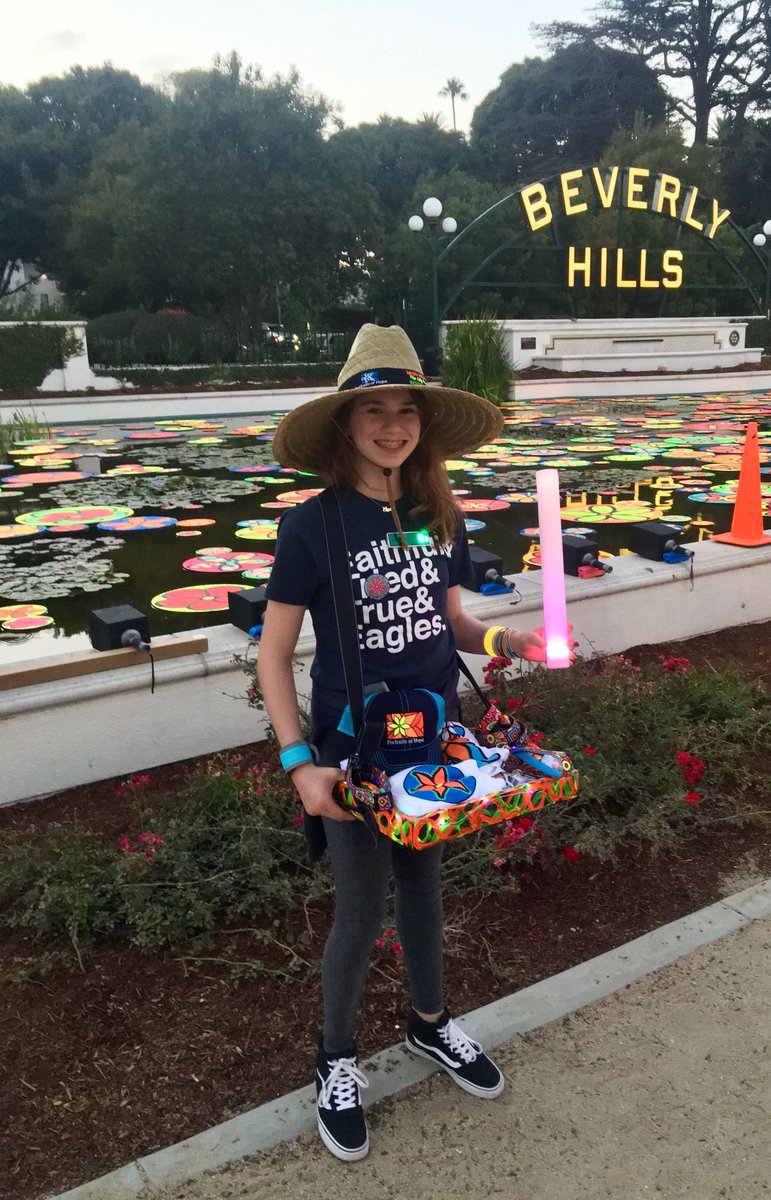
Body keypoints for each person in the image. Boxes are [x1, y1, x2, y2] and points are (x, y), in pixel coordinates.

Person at [256, 324, 565, 1163]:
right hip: (352, 752)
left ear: (424, 420)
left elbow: (455, 623)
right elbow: (274, 655)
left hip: (431, 737)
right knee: (360, 910)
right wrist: (298, 765)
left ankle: (429, 1025)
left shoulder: (438, 512)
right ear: (346, 422)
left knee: (424, 889)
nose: (393, 424)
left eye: (407, 409)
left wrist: (513, 646)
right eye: (374, 409)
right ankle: (335, 1060)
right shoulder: (311, 528)